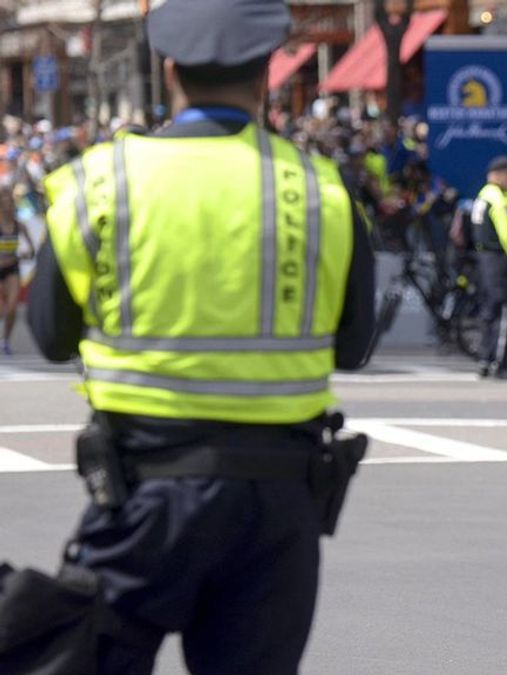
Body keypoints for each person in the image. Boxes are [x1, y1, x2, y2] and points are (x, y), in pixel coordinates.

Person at [22, 0, 375, 671]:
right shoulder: (322, 188)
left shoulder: (101, 181)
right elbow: (353, 347)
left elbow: (48, 336)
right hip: (277, 505)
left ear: (171, 68)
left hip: (144, 492)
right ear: (268, 72)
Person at [472, 155, 507, 379]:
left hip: (485, 261)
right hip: (500, 263)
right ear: (497, 175)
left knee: (490, 312)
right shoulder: (500, 199)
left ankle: (486, 359)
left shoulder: (483, 196)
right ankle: (500, 363)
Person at [0, 186, 34, 355]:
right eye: (5, 205)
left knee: (12, 307)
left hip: (12, 269)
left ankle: (5, 340)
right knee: (1, 310)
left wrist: (27, 253)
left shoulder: (18, 226)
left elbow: (31, 248)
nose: (9, 209)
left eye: (11, 205)